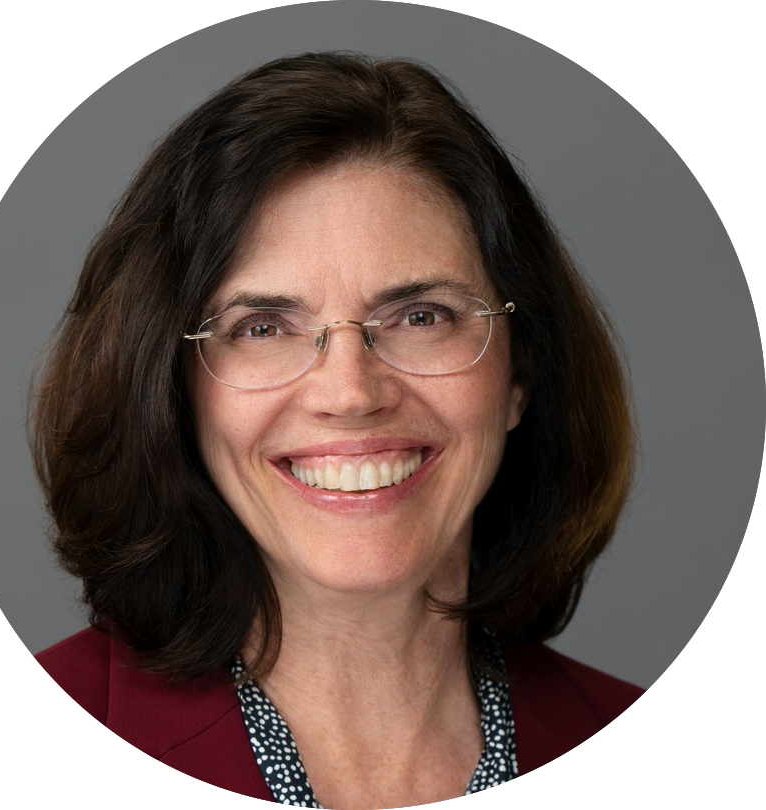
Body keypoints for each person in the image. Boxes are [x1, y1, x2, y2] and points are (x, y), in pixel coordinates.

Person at [32, 52, 646, 807]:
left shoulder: (652, 760)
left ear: (521, 374)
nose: (351, 393)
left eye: (421, 317)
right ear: (173, 389)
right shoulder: (25, 746)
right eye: (262, 327)